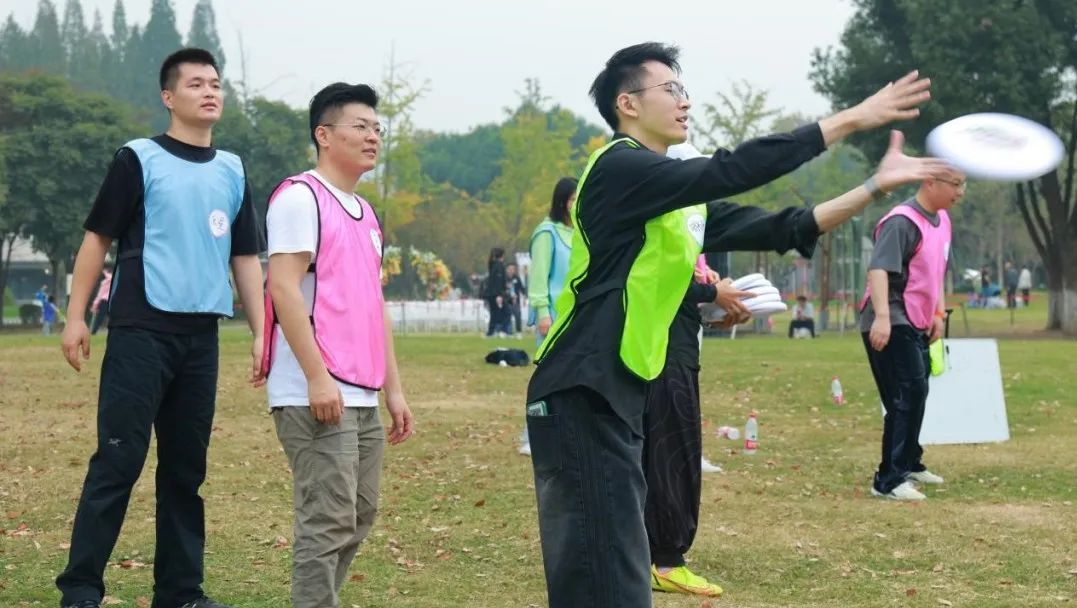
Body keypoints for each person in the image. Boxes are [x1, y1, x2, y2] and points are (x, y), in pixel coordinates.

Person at [524, 41, 945, 608]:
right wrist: (851, 119)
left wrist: (874, 186)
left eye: (684, 89)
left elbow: (787, 227)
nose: (685, 101)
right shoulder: (619, 168)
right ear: (628, 103)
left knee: (620, 569)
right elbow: (731, 169)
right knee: (603, 574)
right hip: (580, 386)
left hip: (620, 390)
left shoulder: (678, 203)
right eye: (670, 89)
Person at [56, 48, 265, 608]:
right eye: (196, 84)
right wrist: (76, 317)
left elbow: (246, 256)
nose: (210, 91)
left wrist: (261, 330)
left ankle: (180, 592)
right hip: (140, 331)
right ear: (169, 97)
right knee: (118, 460)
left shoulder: (232, 169)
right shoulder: (138, 159)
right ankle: (80, 588)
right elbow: (97, 239)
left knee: (184, 471)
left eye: (215, 83)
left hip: (201, 339)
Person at [261, 82, 414, 608]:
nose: (373, 137)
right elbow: (283, 287)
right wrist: (316, 377)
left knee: (358, 514)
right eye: (361, 126)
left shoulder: (366, 213)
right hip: (315, 389)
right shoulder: (300, 198)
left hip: (361, 390)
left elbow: (372, 305)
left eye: (377, 128)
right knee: (326, 519)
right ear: (324, 135)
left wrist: (394, 390)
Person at [645, 253, 748, 599]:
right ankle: (665, 562)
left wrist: (711, 296)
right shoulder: (664, 223)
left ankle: (649, 555)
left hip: (675, 348)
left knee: (660, 454)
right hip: (664, 355)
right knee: (672, 456)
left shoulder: (687, 232)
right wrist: (712, 293)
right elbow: (655, 277)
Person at [859, 170, 965, 501]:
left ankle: (909, 463)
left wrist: (938, 314)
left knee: (917, 391)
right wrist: (882, 319)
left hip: (918, 318)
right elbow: (878, 270)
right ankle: (887, 481)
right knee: (905, 393)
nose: (961, 191)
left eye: (963, 184)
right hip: (891, 317)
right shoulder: (901, 222)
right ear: (929, 182)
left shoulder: (942, 220)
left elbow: (937, 272)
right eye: (955, 184)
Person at [519, 177, 577, 456]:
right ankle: (532, 435)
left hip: (576, 316)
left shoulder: (580, 233)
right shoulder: (547, 233)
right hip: (552, 316)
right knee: (548, 377)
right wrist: (542, 312)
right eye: (573, 199)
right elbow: (539, 277)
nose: (577, 204)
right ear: (563, 202)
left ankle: (564, 431)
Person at [483, 247, 509, 337]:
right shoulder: (499, 266)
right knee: (505, 312)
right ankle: (502, 330)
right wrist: (499, 295)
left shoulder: (493, 264)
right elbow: (498, 281)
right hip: (496, 294)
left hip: (491, 293)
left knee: (494, 313)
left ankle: (491, 331)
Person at [505, 262, 526, 337]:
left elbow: (522, 288)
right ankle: (509, 332)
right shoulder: (504, 278)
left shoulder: (517, 278)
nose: (511, 270)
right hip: (507, 300)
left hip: (516, 301)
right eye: (510, 269)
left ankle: (518, 332)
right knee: (507, 316)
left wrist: (525, 296)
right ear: (507, 269)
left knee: (517, 315)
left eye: (513, 269)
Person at [90, 270, 113, 335]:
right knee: (100, 318)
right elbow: (100, 295)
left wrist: (104, 272)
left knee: (101, 318)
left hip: (108, 301)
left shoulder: (108, 280)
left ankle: (94, 331)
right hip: (105, 301)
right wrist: (94, 305)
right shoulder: (105, 283)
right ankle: (94, 331)